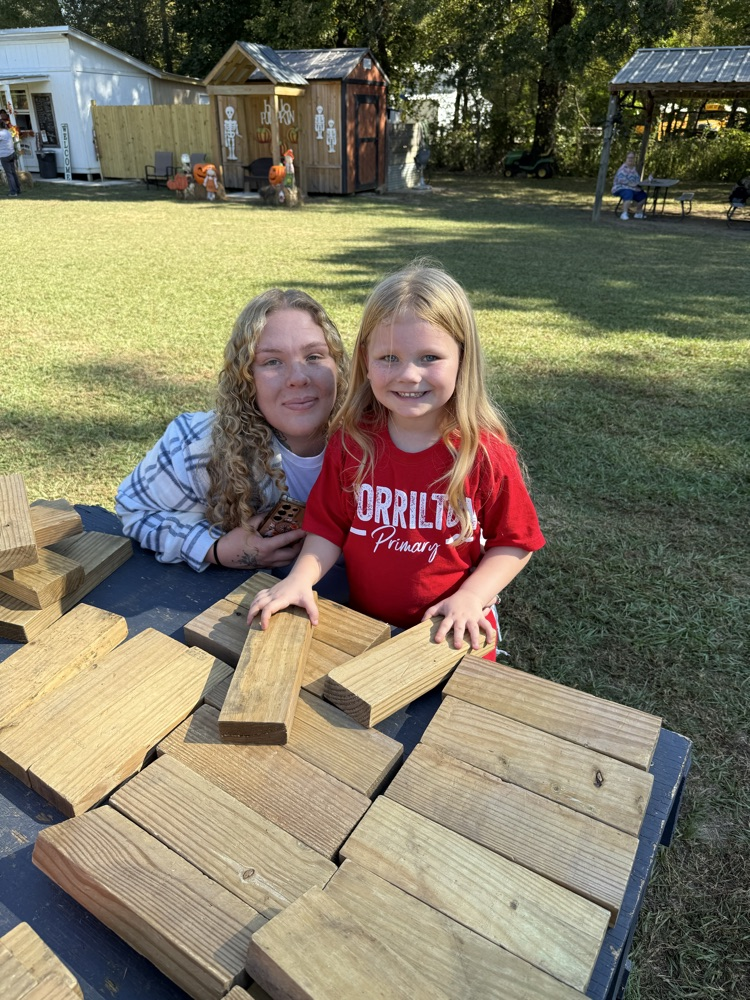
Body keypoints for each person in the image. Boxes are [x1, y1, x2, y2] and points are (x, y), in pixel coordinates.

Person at [247, 264, 545, 659]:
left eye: (429, 357)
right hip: (365, 627)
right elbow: (330, 526)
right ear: (365, 361)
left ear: (462, 358)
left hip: (451, 631)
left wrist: (473, 597)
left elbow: (515, 542)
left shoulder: (483, 453)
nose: (408, 375)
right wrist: (300, 580)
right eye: (389, 357)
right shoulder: (352, 442)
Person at [115, 288, 348, 576]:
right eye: (272, 361)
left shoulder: (382, 441)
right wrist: (214, 549)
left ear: (338, 366)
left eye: (314, 356)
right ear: (246, 377)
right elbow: (135, 509)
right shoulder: (201, 446)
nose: (298, 378)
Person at [612, 151, 648, 220]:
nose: (630, 159)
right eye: (629, 157)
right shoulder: (623, 168)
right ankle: (624, 213)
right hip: (620, 187)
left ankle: (638, 212)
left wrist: (645, 181)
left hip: (633, 188)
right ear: (626, 158)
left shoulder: (634, 169)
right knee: (628, 193)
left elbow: (637, 180)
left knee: (643, 195)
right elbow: (620, 180)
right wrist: (630, 184)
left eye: (632, 158)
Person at [0, 117, 21, 197]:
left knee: (9, 174)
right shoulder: (7, 132)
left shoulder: (0, 133)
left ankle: (13, 192)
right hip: (12, 153)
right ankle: (18, 189)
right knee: (13, 172)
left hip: (4, 155)